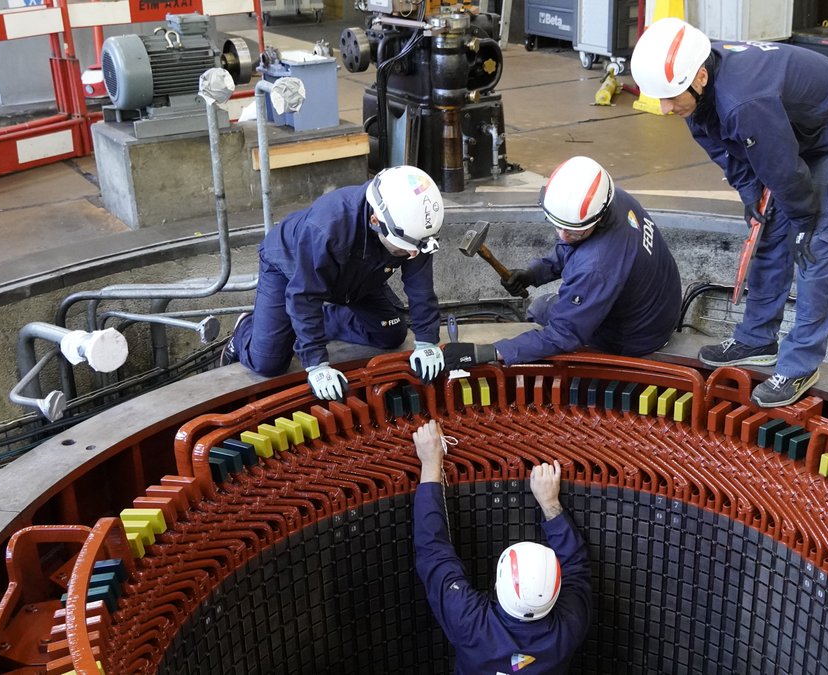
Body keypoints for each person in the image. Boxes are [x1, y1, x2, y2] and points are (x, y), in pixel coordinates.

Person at [629, 18, 828, 407]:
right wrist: (751, 196)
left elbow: (783, 171)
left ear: (700, 78)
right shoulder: (696, 83)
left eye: (671, 98)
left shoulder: (744, 100)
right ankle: (757, 338)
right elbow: (724, 149)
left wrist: (805, 222)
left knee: (818, 250)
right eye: (658, 98)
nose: (665, 109)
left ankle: (799, 365)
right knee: (768, 232)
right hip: (794, 133)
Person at [220, 165, 448, 399]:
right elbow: (304, 295)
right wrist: (316, 364)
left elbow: (420, 287)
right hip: (289, 269)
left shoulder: (413, 230)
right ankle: (245, 328)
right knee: (269, 363)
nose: (412, 255)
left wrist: (427, 341)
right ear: (375, 220)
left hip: (358, 276)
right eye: (402, 250)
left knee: (391, 335)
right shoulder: (326, 227)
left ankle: (314, 322)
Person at [440, 156, 682, 370]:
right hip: (661, 307)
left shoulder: (596, 268)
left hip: (637, 337)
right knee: (549, 303)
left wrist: (487, 352)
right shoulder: (611, 199)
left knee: (539, 309)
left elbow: (563, 335)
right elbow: (573, 244)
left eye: (573, 231)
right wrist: (533, 273)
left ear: (597, 219)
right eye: (558, 225)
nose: (563, 236)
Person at [411, 420, 591, 674]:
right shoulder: (568, 629)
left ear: (497, 585)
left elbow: (432, 551)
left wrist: (430, 463)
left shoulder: (471, 624)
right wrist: (550, 503)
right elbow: (577, 567)